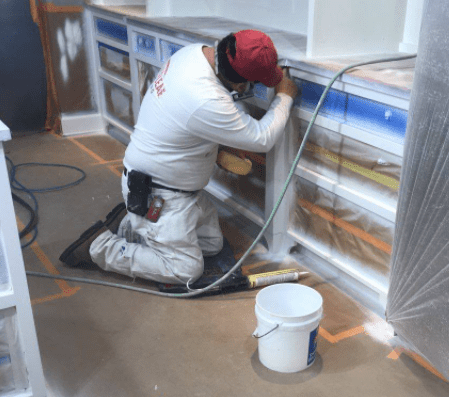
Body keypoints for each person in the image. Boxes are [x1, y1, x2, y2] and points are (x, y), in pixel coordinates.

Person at [59, 29, 298, 285]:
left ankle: (132, 224)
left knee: (212, 244)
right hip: (161, 195)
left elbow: (183, 119)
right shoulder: (206, 98)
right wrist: (284, 96)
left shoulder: (194, 53)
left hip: (166, 185)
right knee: (185, 270)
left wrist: (215, 147)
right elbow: (262, 138)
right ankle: (99, 247)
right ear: (239, 83)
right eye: (253, 83)